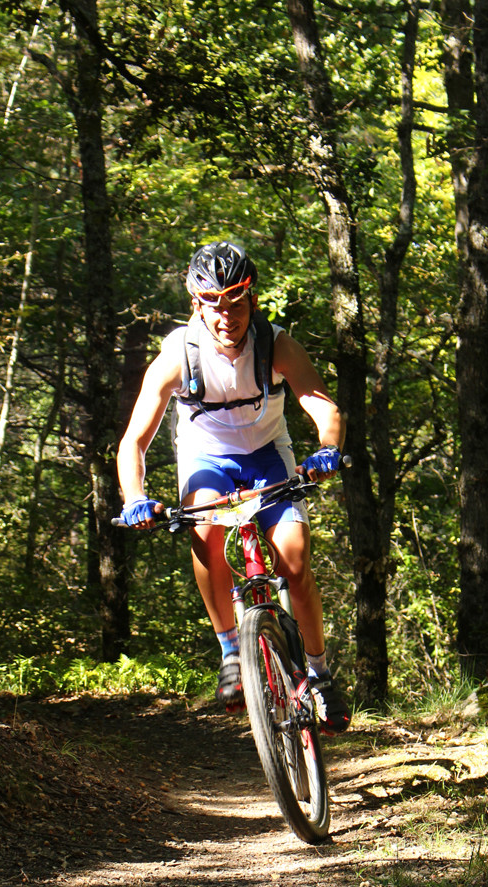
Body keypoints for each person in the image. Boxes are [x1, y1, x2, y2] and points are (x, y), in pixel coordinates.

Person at [116, 241, 350, 735]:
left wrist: (328, 447)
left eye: (236, 302)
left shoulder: (277, 345)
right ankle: (229, 647)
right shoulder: (177, 356)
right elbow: (133, 442)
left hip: (268, 456)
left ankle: (320, 675)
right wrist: (135, 499)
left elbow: (322, 405)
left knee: (294, 557)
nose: (226, 315)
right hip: (206, 460)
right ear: (197, 305)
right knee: (202, 533)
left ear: (253, 299)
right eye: (214, 303)